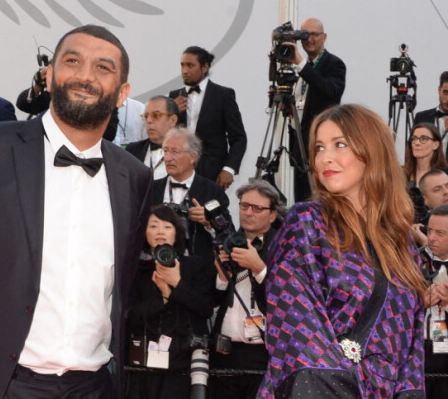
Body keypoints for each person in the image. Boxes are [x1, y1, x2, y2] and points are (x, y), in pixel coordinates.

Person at [0, 25, 152, 399]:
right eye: (72, 61)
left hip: (94, 386)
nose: (85, 75)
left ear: (123, 94)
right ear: (49, 76)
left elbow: (125, 279)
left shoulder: (134, 176)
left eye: (103, 68)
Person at [259, 104, 426, 398]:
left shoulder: (403, 244)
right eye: (319, 148)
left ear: (373, 151)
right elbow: (296, 324)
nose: (326, 157)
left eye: (340, 144)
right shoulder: (307, 222)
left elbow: (411, 350)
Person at [126, 205, 215, 399]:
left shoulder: (195, 266)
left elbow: (205, 308)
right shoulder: (135, 270)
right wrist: (164, 297)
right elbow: (129, 315)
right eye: (153, 226)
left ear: (177, 232)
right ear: (144, 232)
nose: (160, 231)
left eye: (167, 226)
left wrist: (176, 283)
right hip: (143, 361)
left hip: (183, 363)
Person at [209, 180, 283, 399]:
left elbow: (286, 302)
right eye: (244, 206)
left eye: (257, 208)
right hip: (225, 350)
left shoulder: (284, 248)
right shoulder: (226, 242)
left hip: (264, 353)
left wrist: (259, 268)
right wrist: (222, 278)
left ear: (272, 215)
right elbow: (207, 303)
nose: (249, 213)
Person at [169, 46, 247, 189]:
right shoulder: (174, 96)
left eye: (190, 65)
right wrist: (171, 111)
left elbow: (238, 138)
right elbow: (166, 135)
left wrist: (229, 169)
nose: (185, 71)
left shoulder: (223, 95)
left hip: (213, 171)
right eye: (182, 65)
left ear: (205, 67)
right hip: (180, 169)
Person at [288, 18, 346, 202]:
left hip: (320, 144)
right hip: (299, 145)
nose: (309, 39)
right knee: (301, 199)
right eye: (304, 35)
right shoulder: (298, 68)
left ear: (324, 37)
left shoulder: (334, 64)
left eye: (314, 34)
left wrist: (300, 63)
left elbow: (329, 91)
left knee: (318, 199)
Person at [151, 127, 230, 260]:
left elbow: (228, 235)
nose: (168, 158)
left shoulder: (213, 191)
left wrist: (209, 223)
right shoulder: (151, 189)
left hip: (199, 271)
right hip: (157, 267)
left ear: (192, 157)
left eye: (175, 152)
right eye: (165, 151)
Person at [419, 204, 448, 399]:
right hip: (419, 354)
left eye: (440, 233)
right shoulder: (411, 260)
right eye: (429, 230)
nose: (431, 238)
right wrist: (419, 303)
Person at [126, 96, 179, 179]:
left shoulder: (186, 153)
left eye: (156, 115)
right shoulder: (132, 150)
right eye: (146, 116)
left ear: (173, 120)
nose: (149, 121)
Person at [415, 71, 448, 158]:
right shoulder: (421, 117)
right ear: (439, 90)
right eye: (445, 92)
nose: (447, 98)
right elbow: (412, 148)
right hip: (427, 170)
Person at [405, 123, 448, 189]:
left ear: (436, 145)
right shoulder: (403, 174)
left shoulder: (445, 174)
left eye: (424, 139)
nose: (417, 143)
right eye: (414, 138)